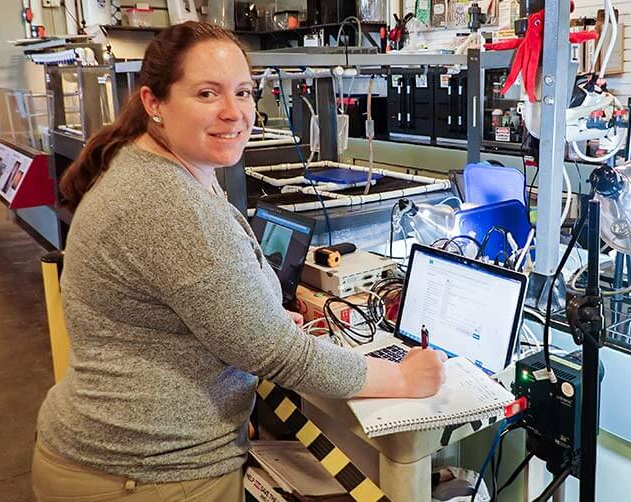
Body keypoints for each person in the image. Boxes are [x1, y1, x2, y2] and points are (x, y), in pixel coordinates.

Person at [33, 21, 447, 501]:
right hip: (145, 474)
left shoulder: (161, 169)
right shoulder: (167, 204)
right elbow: (279, 356)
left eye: (244, 92)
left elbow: (194, 313)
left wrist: (258, 317)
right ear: (154, 103)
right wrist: (403, 377)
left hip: (121, 456)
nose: (234, 113)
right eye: (207, 94)